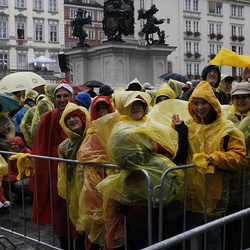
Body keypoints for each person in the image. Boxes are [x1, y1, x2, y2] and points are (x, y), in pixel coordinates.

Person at [96, 91, 185, 249]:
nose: (136, 107)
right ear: (124, 108)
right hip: (137, 201)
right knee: (143, 241)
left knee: (160, 240)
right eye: (132, 105)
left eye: (139, 103)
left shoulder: (152, 124)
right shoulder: (121, 129)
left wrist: (179, 130)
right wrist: (153, 149)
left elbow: (171, 151)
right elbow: (126, 158)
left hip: (158, 199)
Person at [173, 80, 247, 250]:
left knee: (212, 241)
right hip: (190, 196)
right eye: (196, 103)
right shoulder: (189, 127)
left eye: (203, 102)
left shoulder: (228, 129)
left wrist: (217, 158)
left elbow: (239, 158)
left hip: (213, 196)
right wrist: (179, 131)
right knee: (192, 240)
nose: (200, 108)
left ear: (212, 104)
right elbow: (180, 154)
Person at [29, 83, 75, 250]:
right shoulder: (49, 117)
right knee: (61, 215)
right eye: (59, 96)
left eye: (65, 96)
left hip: (77, 174)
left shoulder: (80, 114)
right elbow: (41, 145)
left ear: (72, 97)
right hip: (56, 175)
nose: (62, 99)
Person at [77, 95, 123, 249]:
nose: (103, 112)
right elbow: (84, 154)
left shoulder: (119, 126)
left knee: (115, 220)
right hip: (98, 184)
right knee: (99, 220)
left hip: (114, 182)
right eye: (99, 109)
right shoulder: (92, 131)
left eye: (105, 108)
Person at [57, 103, 90, 250]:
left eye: (75, 116)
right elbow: (64, 173)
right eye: (68, 118)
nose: (71, 120)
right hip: (76, 191)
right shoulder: (64, 146)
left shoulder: (93, 138)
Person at [223, 81, 250, 250]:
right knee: (230, 233)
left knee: (245, 232)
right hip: (229, 187)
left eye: (244, 97)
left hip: (248, 188)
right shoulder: (227, 119)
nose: (240, 101)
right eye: (236, 98)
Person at [4, 136, 33, 202]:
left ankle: (33, 195)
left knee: (17, 185)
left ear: (20, 144)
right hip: (19, 174)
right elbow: (12, 169)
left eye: (15, 144)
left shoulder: (28, 153)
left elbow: (30, 170)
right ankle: (20, 195)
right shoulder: (12, 154)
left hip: (30, 175)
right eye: (12, 145)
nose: (13, 146)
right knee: (6, 181)